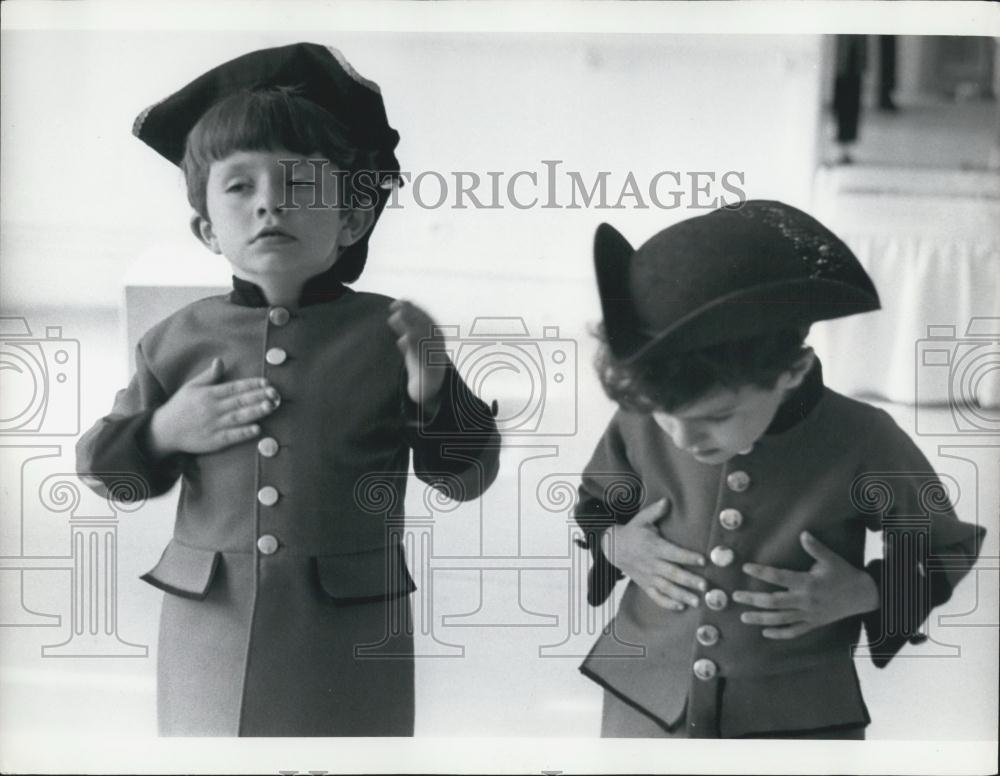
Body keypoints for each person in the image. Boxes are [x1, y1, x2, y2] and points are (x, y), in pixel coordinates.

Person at [76, 43, 501, 736]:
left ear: (353, 220)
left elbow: (463, 480)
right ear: (207, 227)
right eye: (240, 186)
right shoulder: (176, 341)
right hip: (207, 624)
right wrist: (161, 433)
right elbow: (108, 476)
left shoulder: (390, 335)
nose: (271, 203)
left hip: (346, 630)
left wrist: (435, 387)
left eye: (300, 186)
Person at [573, 200, 985, 738]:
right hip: (646, 705)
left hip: (796, 718)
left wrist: (867, 592)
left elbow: (946, 548)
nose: (682, 436)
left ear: (793, 370)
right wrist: (616, 544)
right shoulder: (646, 408)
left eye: (716, 417)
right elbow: (597, 504)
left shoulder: (863, 438)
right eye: (663, 416)